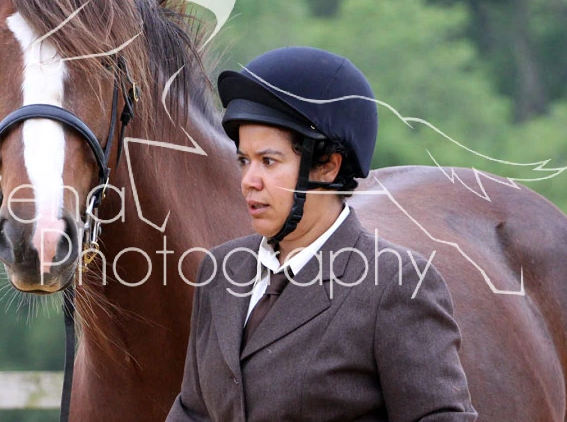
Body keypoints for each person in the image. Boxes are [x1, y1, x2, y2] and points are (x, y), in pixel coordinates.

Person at [167, 46, 477, 421]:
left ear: (328, 166)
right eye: (244, 160)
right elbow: (193, 412)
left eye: (269, 161)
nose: (249, 180)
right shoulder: (219, 270)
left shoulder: (395, 284)